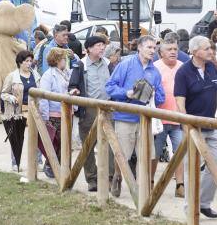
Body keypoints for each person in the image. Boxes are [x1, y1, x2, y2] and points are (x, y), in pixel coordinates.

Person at [106, 35, 165, 197]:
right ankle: (117, 177)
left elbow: (161, 97)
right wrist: (128, 93)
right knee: (122, 155)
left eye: (154, 48)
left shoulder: (155, 71)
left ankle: (140, 189)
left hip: (146, 120)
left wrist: (153, 94)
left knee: (145, 155)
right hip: (125, 117)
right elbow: (109, 87)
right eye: (149, 47)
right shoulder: (125, 65)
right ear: (139, 47)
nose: (152, 51)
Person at [173, 35, 217, 217]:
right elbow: (180, 101)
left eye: (211, 48)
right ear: (195, 52)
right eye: (206, 48)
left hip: (213, 124)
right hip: (194, 127)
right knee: (192, 167)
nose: (211, 51)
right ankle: (190, 209)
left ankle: (203, 202)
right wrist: (187, 125)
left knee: (216, 166)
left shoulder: (211, 67)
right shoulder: (183, 72)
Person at [68, 34, 110, 191]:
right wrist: (74, 90)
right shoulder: (81, 65)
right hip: (89, 110)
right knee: (88, 146)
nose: (102, 48)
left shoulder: (108, 63)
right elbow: (72, 85)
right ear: (89, 49)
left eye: (103, 45)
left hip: (107, 109)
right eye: (99, 45)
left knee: (110, 145)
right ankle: (92, 180)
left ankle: (108, 178)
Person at [153, 37, 185, 197]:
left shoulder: (183, 68)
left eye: (175, 49)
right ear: (161, 53)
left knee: (180, 152)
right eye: (169, 49)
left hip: (178, 119)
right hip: (159, 118)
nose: (173, 52)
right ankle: (150, 182)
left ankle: (180, 185)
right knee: (155, 154)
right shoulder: (154, 68)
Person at [1, 50, 41, 171]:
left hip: (34, 109)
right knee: (17, 137)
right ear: (20, 62)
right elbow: (3, 94)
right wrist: (12, 97)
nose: (29, 64)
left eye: (30, 61)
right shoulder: (12, 76)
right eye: (26, 61)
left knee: (37, 136)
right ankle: (15, 162)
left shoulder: (36, 75)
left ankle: (37, 162)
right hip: (17, 111)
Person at [38, 48, 72, 178]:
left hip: (67, 113)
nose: (65, 61)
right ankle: (50, 165)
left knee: (65, 144)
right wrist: (45, 116)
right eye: (64, 58)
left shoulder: (66, 73)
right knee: (56, 143)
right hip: (54, 113)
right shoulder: (48, 75)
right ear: (57, 60)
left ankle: (61, 168)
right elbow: (43, 97)